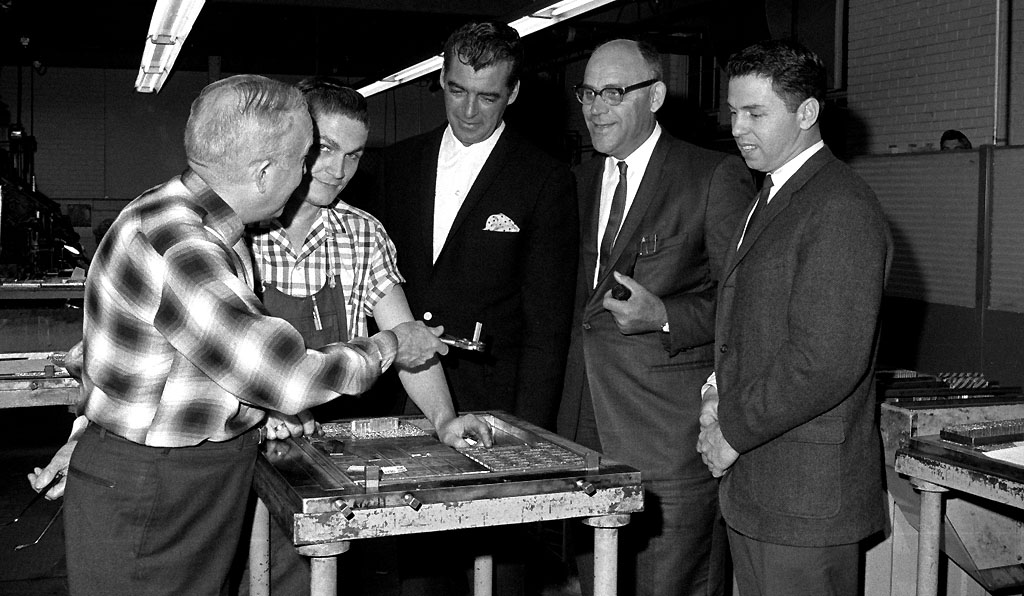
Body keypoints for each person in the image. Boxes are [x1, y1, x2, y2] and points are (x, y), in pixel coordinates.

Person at [28, 74, 489, 596]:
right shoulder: (186, 245)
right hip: (158, 485)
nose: (323, 172)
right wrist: (391, 345)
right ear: (265, 170)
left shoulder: (199, 221)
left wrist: (442, 414)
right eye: (307, 156)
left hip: (194, 474)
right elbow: (286, 377)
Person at [242, 76, 490, 595]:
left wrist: (444, 419)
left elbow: (406, 340)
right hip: (249, 446)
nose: (338, 171)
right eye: (325, 149)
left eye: (353, 156)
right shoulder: (243, 230)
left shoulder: (363, 234)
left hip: (335, 448)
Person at [367, 21, 577, 596]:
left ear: (512, 94)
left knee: (499, 575)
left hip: (497, 413)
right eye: (457, 89)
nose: (468, 109)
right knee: (416, 576)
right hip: (411, 401)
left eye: (487, 95)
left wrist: (528, 437)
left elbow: (547, 324)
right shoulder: (396, 166)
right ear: (440, 79)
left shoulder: (544, 178)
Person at [555, 39, 753, 596]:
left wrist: (665, 314)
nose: (595, 107)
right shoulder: (573, 180)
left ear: (657, 96)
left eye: (614, 92)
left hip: (669, 441)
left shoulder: (714, 177)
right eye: (588, 92)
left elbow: (745, 306)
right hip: (585, 435)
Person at [696, 40, 892, 596]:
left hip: (804, 500)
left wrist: (732, 427)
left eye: (756, 113)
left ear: (807, 113)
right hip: (764, 487)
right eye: (733, 111)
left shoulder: (840, 207)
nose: (737, 127)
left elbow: (825, 360)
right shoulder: (772, 194)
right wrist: (716, 390)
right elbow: (748, 319)